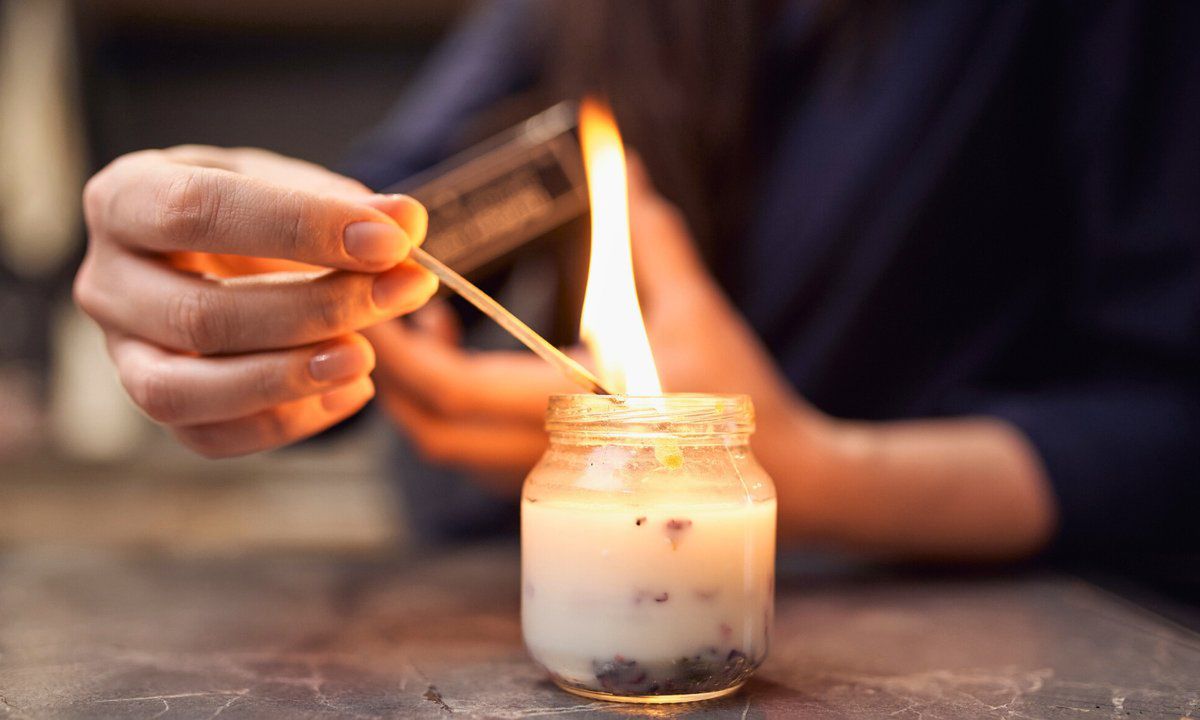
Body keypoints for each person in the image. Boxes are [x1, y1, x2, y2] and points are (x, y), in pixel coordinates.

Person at [75, 1, 1199, 563]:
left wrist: (815, 471)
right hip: (478, 609)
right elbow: (403, 212)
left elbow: (1169, 428)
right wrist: (236, 273)